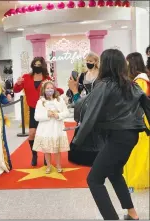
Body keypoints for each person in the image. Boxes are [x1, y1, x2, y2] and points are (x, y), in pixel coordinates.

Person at [72, 49, 150, 220]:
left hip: (117, 137)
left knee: (94, 179)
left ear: (105, 64)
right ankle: (132, 214)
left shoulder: (105, 85)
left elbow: (86, 109)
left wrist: (75, 92)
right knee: (114, 172)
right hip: (131, 136)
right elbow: (146, 104)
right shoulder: (131, 84)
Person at [13, 57, 51, 166]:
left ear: (42, 66)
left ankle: (46, 155)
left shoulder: (47, 78)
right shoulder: (26, 77)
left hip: (44, 109)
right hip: (32, 110)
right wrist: (18, 83)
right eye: (35, 64)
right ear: (32, 65)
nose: (37, 66)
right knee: (32, 134)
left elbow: (52, 91)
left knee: (45, 135)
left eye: (39, 65)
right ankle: (34, 155)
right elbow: (16, 90)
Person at [67, 52, 100, 166]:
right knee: (83, 125)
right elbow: (78, 89)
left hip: (98, 103)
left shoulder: (101, 74)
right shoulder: (83, 75)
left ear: (96, 62)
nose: (88, 63)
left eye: (90, 61)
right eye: (87, 61)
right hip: (85, 103)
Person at [123, 52, 150, 190]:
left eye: (127, 62)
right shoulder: (140, 79)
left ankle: (136, 180)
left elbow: (137, 101)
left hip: (141, 120)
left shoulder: (140, 80)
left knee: (138, 151)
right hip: (139, 118)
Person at [33, 80, 70, 173]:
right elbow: (36, 117)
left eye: (51, 88)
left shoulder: (59, 100)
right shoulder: (41, 102)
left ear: (54, 89)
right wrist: (47, 115)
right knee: (47, 149)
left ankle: (58, 165)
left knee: (57, 148)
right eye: (47, 88)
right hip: (45, 129)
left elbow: (66, 112)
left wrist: (59, 115)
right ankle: (48, 166)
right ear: (44, 90)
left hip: (57, 128)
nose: (50, 90)